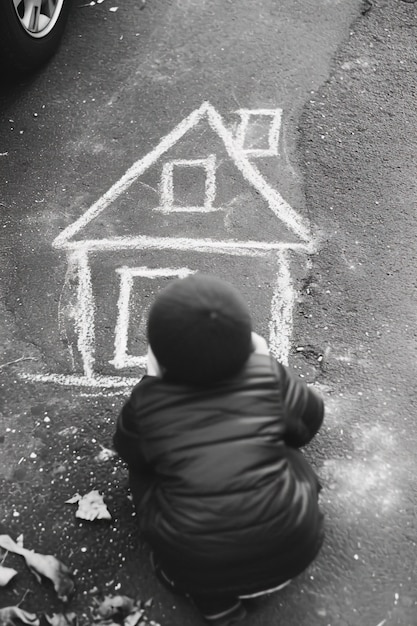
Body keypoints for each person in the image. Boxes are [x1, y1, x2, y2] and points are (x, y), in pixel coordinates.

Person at [113, 273, 325, 626]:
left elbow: (127, 449)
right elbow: (309, 423)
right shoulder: (268, 376)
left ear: (157, 357)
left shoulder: (148, 403)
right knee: (285, 449)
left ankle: (215, 604)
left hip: (201, 570)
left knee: (141, 471)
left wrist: (151, 383)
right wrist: (265, 365)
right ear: (248, 343)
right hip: (297, 548)